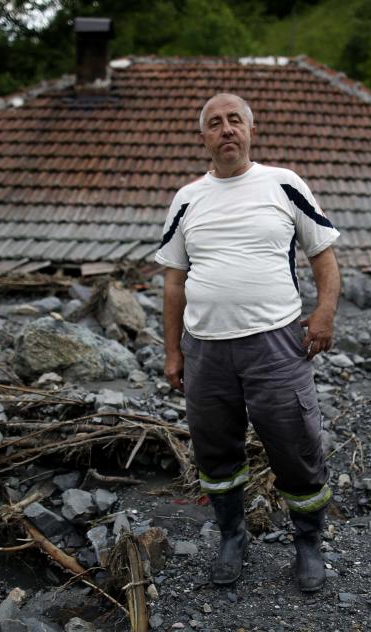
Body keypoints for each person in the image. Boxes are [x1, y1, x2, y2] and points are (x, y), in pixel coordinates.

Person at [155, 93, 341, 592]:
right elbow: (174, 281)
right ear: (204, 137)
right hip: (206, 349)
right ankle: (232, 536)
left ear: (250, 130)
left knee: (296, 446)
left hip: (277, 344)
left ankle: (307, 543)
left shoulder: (283, 184)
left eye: (234, 120)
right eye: (215, 124)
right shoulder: (188, 198)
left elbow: (323, 254)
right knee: (215, 451)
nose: (226, 130)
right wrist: (172, 351)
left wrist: (323, 313)